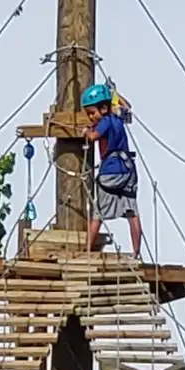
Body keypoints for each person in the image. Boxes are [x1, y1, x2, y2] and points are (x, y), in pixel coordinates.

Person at [82, 83, 142, 257]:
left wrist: (86, 131)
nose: (91, 117)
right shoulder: (118, 118)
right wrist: (113, 93)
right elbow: (127, 107)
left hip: (110, 171)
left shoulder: (105, 121)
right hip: (128, 169)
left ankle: (87, 251)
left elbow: (94, 137)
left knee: (98, 213)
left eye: (92, 113)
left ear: (103, 108)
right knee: (132, 213)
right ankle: (136, 251)